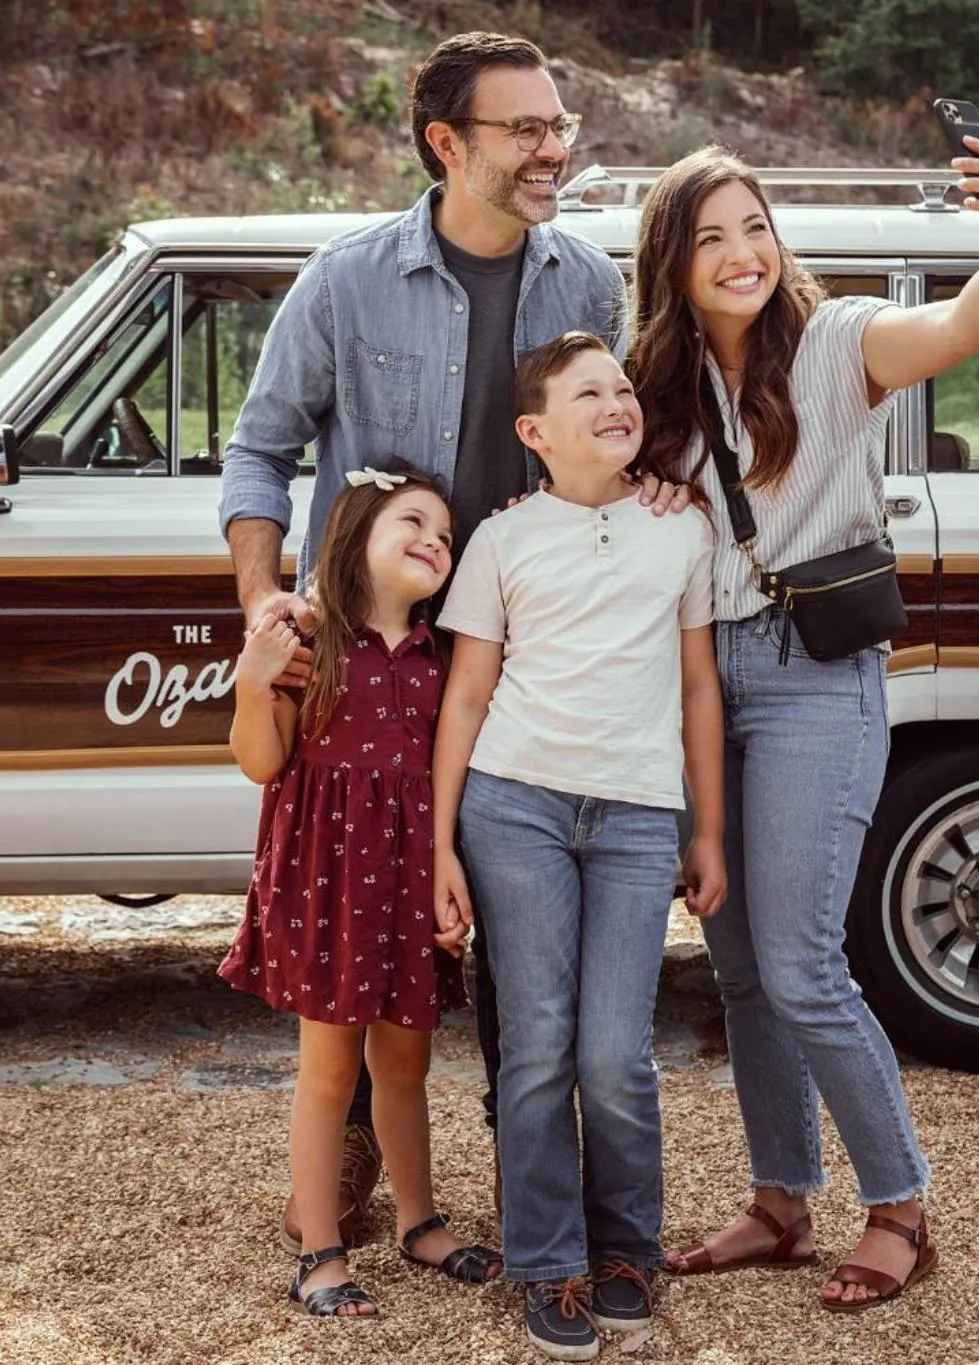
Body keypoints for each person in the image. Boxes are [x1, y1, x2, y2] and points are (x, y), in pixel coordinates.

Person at [217, 30, 646, 1250]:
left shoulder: (589, 286)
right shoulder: (346, 280)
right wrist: (265, 601)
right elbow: (260, 448)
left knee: (522, 950)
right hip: (371, 664)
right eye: (524, 129)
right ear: (447, 144)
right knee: (364, 924)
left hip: (525, 671)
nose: (551, 148)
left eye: (558, 125)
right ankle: (344, 1170)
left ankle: (539, 1220)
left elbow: (613, 441)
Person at [627, 143, 979, 1309]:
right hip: (701, 680)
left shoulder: (833, 343)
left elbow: (956, 333)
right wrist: (638, 481)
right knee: (743, 969)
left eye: (753, 227)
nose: (740, 253)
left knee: (806, 966)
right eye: (709, 236)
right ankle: (777, 1201)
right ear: (670, 260)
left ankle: (899, 1207)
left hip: (817, 672)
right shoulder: (650, 389)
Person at [432, 333, 727, 1361]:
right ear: (534, 432)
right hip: (513, 807)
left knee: (614, 1055)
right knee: (536, 1044)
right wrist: (438, 848)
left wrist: (708, 830)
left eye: (622, 390)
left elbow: (697, 688)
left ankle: (624, 1248)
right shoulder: (501, 541)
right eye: (587, 393)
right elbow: (466, 694)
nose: (615, 403)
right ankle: (546, 1260)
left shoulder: (681, 527)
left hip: (636, 817)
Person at [219, 464, 503, 1318]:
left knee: (407, 1059)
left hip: (409, 880)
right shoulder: (310, 641)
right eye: (414, 522)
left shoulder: (441, 653)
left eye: (446, 535)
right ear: (355, 536)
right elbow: (262, 761)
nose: (435, 541)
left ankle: (418, 1220)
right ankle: (319, 1248)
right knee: (330, 1070)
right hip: (327, 884)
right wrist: (251, 679)